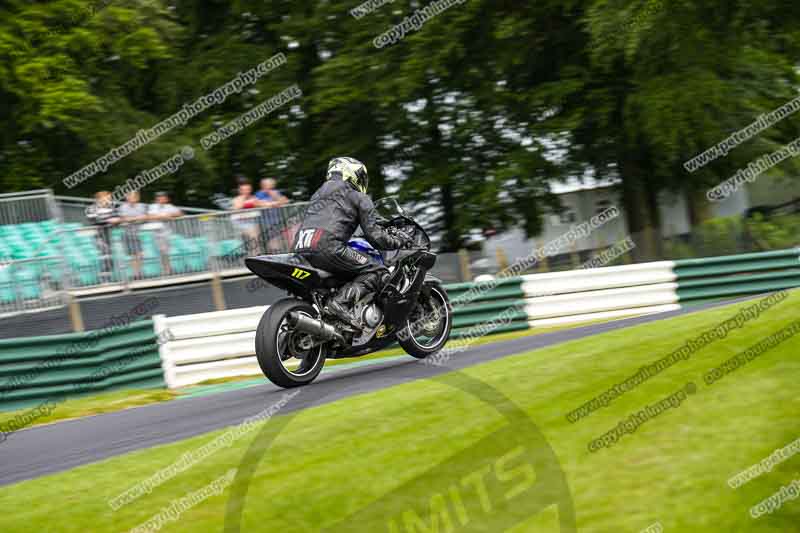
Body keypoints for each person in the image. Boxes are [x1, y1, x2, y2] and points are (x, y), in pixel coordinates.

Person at [293, 157, 412, 328]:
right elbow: (376, 237)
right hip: (329, 247)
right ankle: (340, 303)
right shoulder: (358, 196)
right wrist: (397, 241)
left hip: (301, 248)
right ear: (352, 174)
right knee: (377, 271)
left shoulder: (318, 194)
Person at [144, 192, 183, 274]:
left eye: (163, 197)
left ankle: (167, 269)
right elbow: (148, 216)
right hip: (155, 233)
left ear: (166, 199)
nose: (161, 199)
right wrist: (162, 216)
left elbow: (180, 213)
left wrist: (170, 214)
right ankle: (164, 269)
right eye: (160, 197)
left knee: (165, 251)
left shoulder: (170, 206)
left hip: (166, 232)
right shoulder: (152, 206)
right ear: (156, 199)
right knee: (160, 251)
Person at [118, 191, 148, 279]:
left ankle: (138, 272)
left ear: (137, 198)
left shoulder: (142, 206)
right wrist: (136, 218)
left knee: (140, 254)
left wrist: (133, 219)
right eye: (129, 197)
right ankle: (136, 274)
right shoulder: (122, 207)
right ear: (127, 198)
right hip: (127, 233)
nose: (131, 198)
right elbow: (124, 219)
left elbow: (146, 216)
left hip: (139, 233)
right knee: (133, 255)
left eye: (134, 197)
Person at [255, 178, 290, 252]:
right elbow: (258, 203)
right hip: (266, 222)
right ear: (262, 186)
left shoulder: (276, 192)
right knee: (272, 242)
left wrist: (275, 197)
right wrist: (274, 203)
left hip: (278, 221)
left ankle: (277, 254)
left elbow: (285, 201)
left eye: (270, 185)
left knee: (278, 241)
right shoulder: (259, 193)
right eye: (266, 185)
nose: (268, 187)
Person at [231, 177, 262, 252]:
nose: (247, 191)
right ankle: (255, 255)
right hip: (240, 224)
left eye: (248, 189)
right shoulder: (237, 199)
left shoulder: (253, 198)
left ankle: (256, 255)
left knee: (256, 241)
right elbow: (237, 207)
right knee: (253, 238)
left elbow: (262, 204)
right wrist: (244, 198)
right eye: (244, 190)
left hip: (252, 222)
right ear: (240, 190)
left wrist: (273, 204)